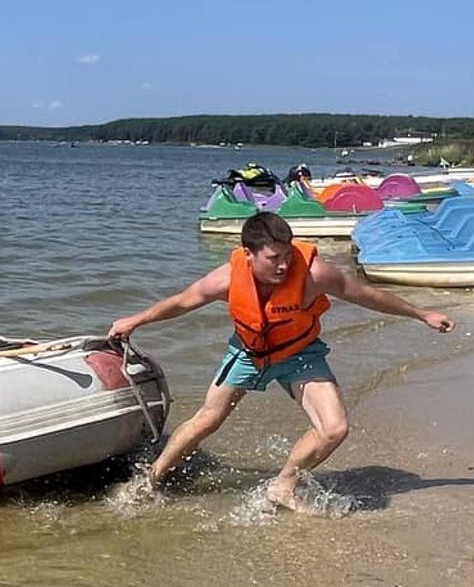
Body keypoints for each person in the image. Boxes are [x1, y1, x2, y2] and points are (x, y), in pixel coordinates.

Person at [107, 213, 455, 508]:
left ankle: (283, 485)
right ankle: (150, 481)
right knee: (206, 420)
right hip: (248, 353)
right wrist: (136, 320)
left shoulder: (314, 274)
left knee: (334, 428)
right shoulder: (225, 280)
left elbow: (367, 295)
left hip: (299, 352)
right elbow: (182, 302)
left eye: (287, 255)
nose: (284, 264)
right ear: (248, 254)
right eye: (273, 258)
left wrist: (421, 313)